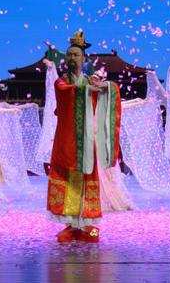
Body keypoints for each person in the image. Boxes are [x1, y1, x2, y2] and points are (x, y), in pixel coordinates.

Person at [47, 31, 121, 243]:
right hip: (67, 140)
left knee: (87, 177)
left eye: (76, 55)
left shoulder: (90, 81)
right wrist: (89, 89)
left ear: (84, 58)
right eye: (69, 55)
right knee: (68, 178)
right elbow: (68, 92)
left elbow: (108, 90)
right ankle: (70, 225)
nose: (72, 58)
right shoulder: (61, 82)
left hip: (86, 140)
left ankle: (88, 226)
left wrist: (106, 87)